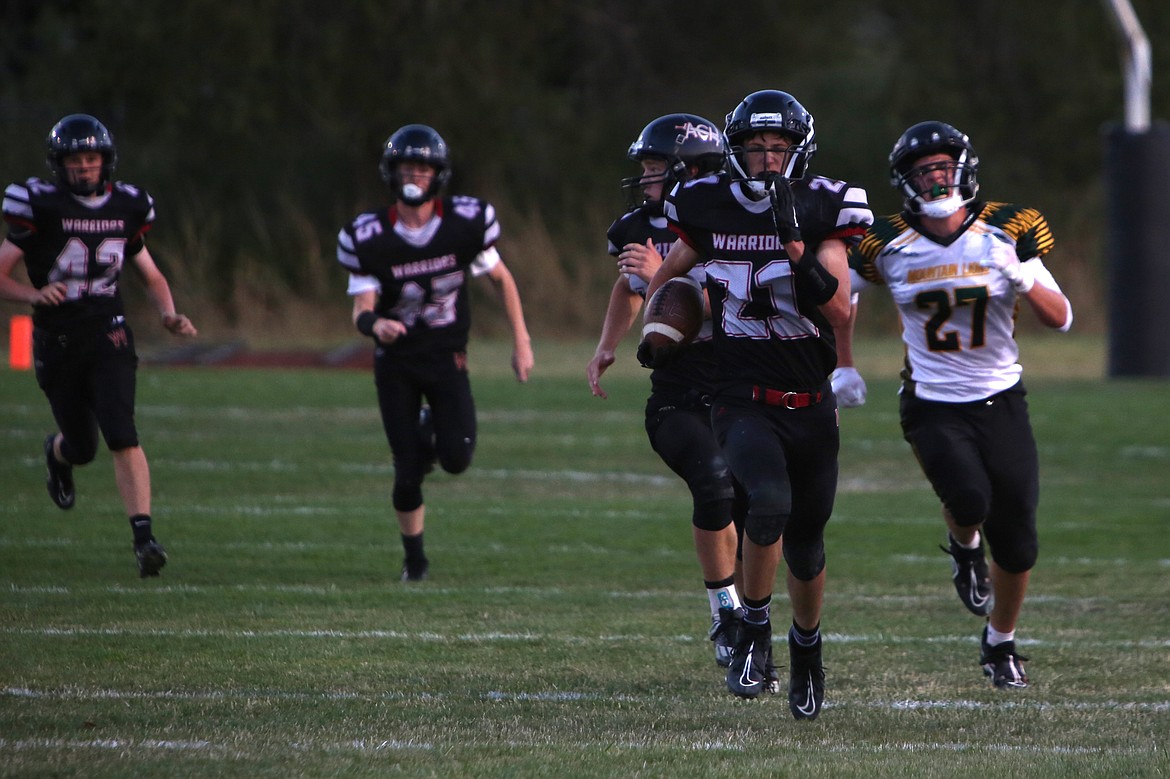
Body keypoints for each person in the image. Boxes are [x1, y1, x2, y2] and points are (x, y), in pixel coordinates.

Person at [642, 90, 873, 719]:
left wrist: (794, 244)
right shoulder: (706, 201)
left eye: (778, 147)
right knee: (766, 501)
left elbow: (836, 309)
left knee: (807, 545)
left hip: (810, 399)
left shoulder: (829, 203)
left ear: (798, 151)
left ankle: (807, 647)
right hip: (740, 395)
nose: (767, 158)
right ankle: (753, 631)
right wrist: (653, 315)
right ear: (736, 149)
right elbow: (681, 264)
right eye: (754, 147)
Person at [846, 121, 1073, 689]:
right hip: (933, 402)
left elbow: (1062, 318)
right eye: (923, 171)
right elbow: (839, 293)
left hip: (1001, 397)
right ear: (906, 181)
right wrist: (841, 361)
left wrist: (1021, 275)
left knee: (1019, 542)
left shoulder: (1008, 231)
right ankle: (964, 545)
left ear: (963, 169)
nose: (935, 177)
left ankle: (1000, 643)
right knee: (970, 499)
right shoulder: (887, 243)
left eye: (942, 167)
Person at [0, 113, 198, 578]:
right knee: (83, 446)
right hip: (57, 338)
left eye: (91, 158)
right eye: (74, 160)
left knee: (121, 430)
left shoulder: (128, 206)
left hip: (109, 331)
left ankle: (144, 538)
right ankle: (57, 453)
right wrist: (32, 295)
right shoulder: (39, 205)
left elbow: (150, 273)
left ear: (105, 161)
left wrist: (168, 312)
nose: (84, 167)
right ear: (59, 165)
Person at [337, 123, 534, 582]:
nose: (415, 176)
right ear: (392, 172)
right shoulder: (368, 236)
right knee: (406, 470)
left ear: (438, 175)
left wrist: (521, 340)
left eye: (423, 169)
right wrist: (374, 324)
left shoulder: (464, 223)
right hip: (397, 361)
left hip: (447, 357)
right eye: (408, 167)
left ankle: (429, 429)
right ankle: (415, 560)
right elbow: (360, 310)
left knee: (457, 458)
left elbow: (501, 279)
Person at [587, 113, 746, 668]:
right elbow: (628, 288)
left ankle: (752, 616)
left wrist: (670, 273)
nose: (645, 179)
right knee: (714, 483)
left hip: (736, 383)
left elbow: (730, 297)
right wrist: (608, 344)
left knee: (753, 508)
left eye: (655, 168)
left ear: (691, 171)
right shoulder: (637, 227)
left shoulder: (731, 219)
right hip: (677, 392)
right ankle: (724, 612)